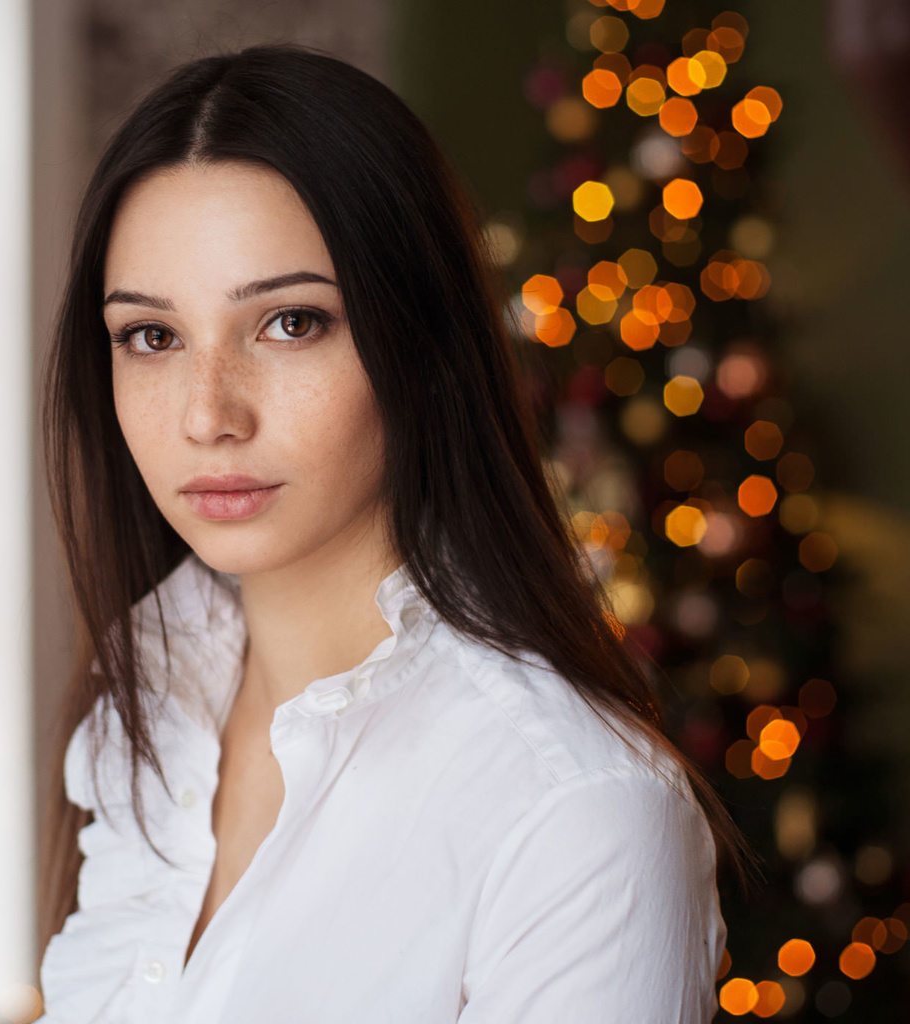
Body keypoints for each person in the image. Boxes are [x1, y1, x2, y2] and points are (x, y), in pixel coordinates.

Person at [36, 42, 751, 1024]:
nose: (206, 415)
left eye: (288, 323)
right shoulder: (142, 707)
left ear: (420, 342)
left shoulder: (575, 815)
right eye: (150, 337)